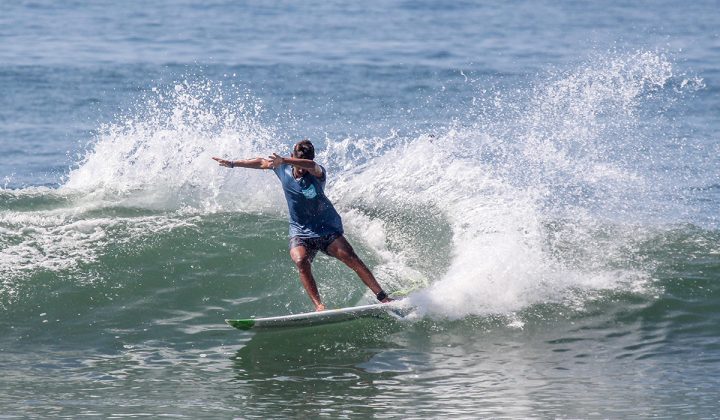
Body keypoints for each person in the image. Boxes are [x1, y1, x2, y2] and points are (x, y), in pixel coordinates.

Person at [212, 140, 393, 311]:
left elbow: (310, 165)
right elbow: (260, 162)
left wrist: (286, 159)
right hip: (299, 230)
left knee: (352, 259)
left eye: (305, 161)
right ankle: (319, 306)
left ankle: (383, 297)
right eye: (298, 161)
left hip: (326, 228)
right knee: (300, 261)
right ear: (292, 156)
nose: (302, 167)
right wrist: (233, 163)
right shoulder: (282, 168)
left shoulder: (317, 172)